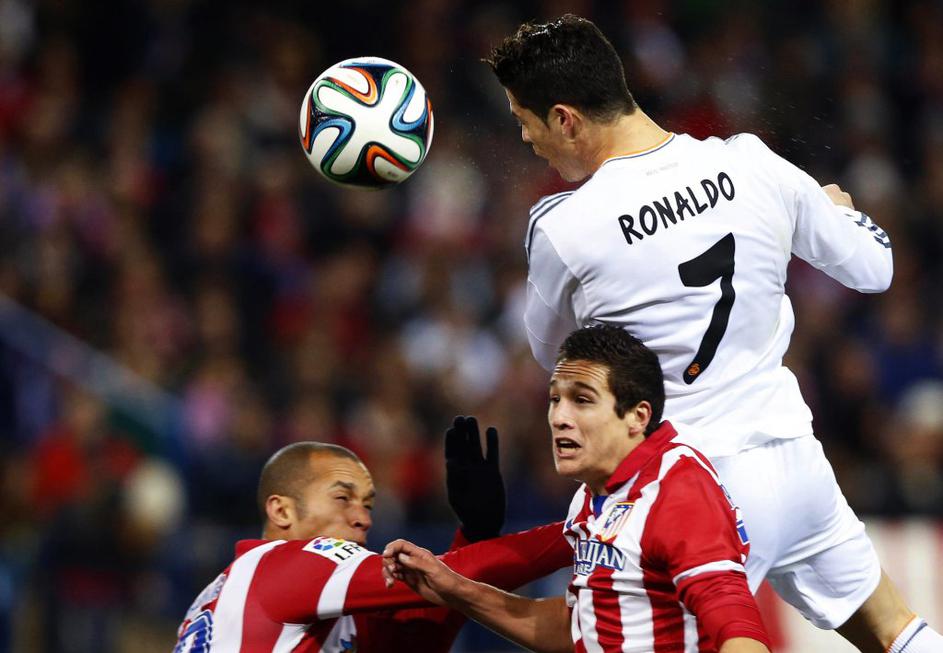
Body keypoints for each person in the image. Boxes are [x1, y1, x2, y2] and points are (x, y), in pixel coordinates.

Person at [482, 13, 941, 653]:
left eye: (524, 120)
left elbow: (556, 356)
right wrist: (842, 211)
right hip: (794, 460)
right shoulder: (751, 162)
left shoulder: (564, 227)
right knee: (896, 631)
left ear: (565, 119)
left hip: (688, 491)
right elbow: (876, 269)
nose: (525, 137)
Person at [384, 325, 772, 653]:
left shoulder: (677, 490)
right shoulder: (596, 492)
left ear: (637, 416)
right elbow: (583, 626)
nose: (559, 417)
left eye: (582, 400)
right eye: (555, 399)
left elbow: (740, 632)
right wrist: (457, 589)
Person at [173, 428, 573, 652]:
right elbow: (444, 576)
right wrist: (586, 528)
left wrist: (473, 534)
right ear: (282, 512)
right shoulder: (288, 565)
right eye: (342, 498)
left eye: (368, 504)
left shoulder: (238, 593)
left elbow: (415, 643)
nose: (363, 518)